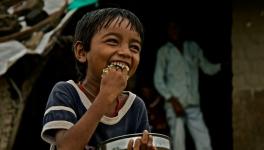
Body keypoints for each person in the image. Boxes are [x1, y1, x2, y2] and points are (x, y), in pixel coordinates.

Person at [41, 7, 157, 150]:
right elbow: (66, 147)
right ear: (82, 52)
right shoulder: (66, 92)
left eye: (134, 47)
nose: (126, 53)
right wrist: (106, 95)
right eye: (113, 41)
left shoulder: (136, 106)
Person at [153, 20, 221, 150]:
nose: (174, 31)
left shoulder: (193, 47)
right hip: (175, 105)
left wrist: (221, 66)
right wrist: (172, 100)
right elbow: (158, 80)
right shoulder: (164, 51)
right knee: (179, 143)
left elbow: (207, 67)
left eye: (176, 27)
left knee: (204, 141)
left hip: (192, 102)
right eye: (171, 28)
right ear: (167, 31)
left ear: (181, 29)